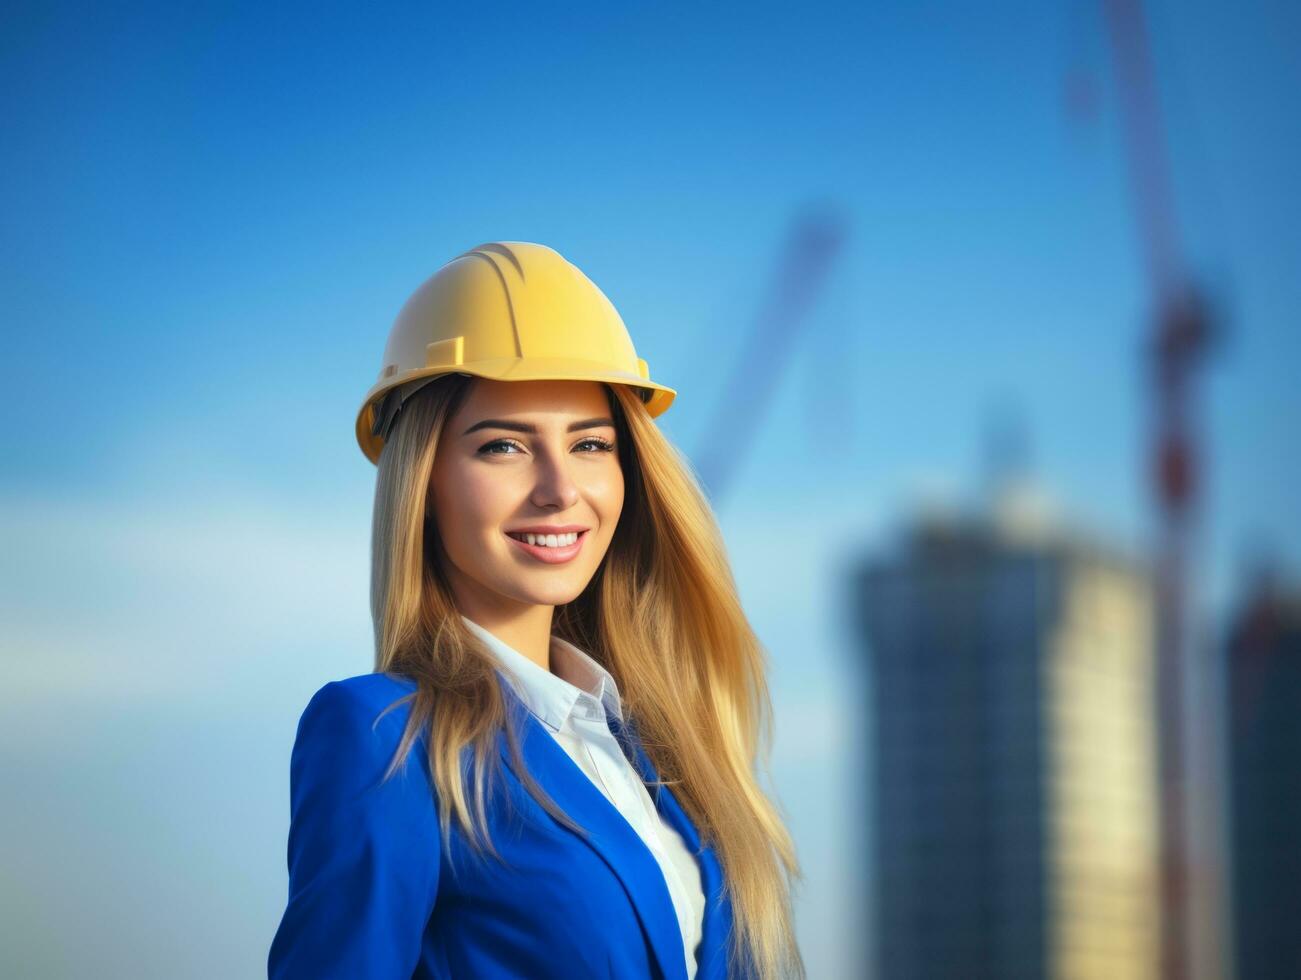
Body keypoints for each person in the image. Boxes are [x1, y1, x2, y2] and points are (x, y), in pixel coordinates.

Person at [267, 242, 804, 979]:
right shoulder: (384, 737)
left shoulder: (661, 752)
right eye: (503, 447)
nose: (559, 488)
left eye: (590, 443)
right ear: (423, 483)